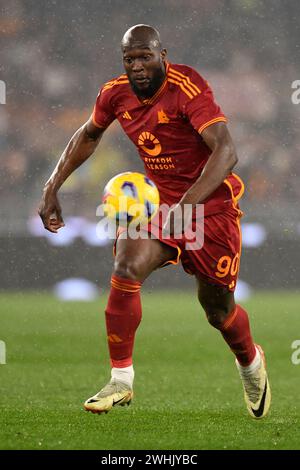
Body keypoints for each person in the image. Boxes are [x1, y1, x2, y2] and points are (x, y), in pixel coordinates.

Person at [39, 24, 271, 418]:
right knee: (126, 266)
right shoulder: (115, 93)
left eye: (145, 56)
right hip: (159, 205)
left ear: (163, 55)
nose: (137, 66)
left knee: (218, 311)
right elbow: (89, 134)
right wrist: (51, 186)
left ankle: (250, 362)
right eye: (130, 59)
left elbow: (226, 152)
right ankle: (121, 379)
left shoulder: (187, 86)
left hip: (210, 207)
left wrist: (189, 203)